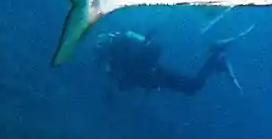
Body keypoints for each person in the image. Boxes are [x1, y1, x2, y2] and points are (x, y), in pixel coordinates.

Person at [93, 29, 238, 96]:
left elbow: (125, 84)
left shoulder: (114, 60)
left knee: (193, 86)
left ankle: (215, 58)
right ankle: (214, 56)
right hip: (153, 72)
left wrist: (114, 76)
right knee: (192, 86)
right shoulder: (118, 52)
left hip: (153, 74)